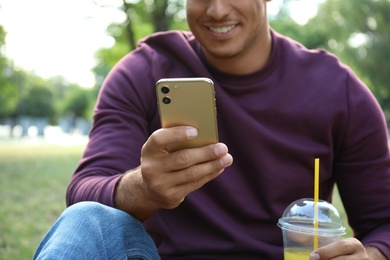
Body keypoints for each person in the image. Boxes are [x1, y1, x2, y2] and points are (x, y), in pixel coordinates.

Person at [34, 0, 390, 259]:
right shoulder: (143, 70)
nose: (217, 10)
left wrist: (369, 257)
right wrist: (144, 189)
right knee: (84, 219)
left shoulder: (338, 90)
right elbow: (83, 194)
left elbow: (383, 223)